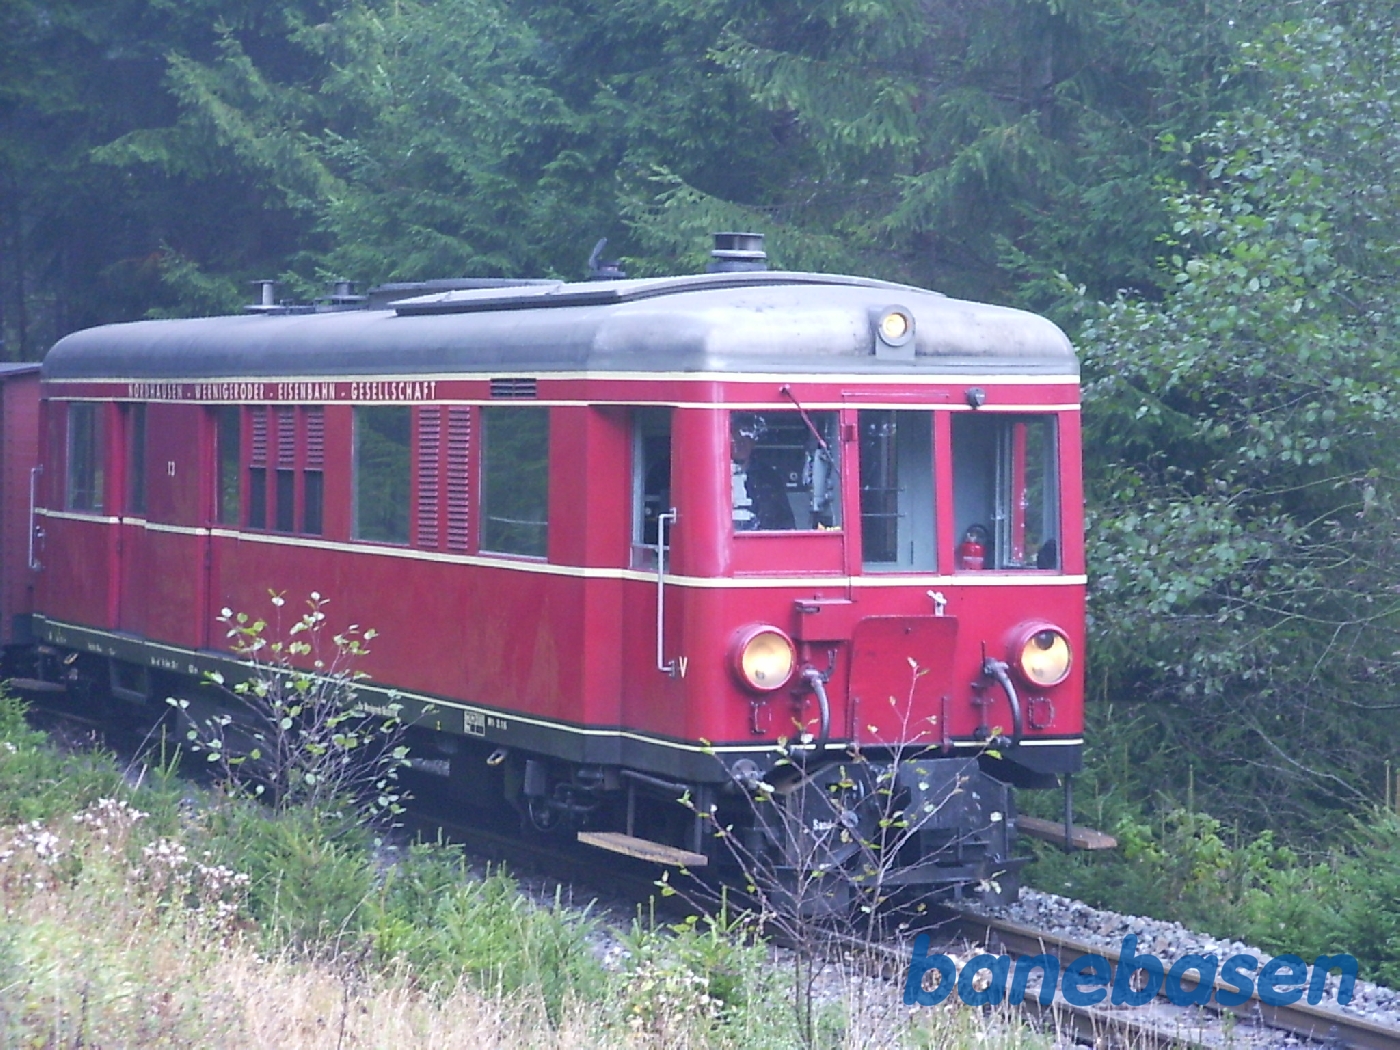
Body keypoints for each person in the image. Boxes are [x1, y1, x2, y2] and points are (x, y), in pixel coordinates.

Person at [731, 413, 795, 531]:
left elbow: (786, 523)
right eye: (736, 437)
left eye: (747, 437)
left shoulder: (769, 478)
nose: (740, 443)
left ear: (754, 442)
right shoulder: (716, 477)